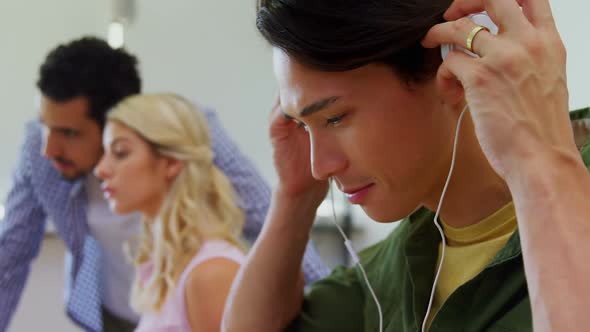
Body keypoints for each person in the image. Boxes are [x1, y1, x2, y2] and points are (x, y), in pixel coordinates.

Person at [223, 0, 590, 331]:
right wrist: (295, 195)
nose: (321, 166)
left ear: (454, 62)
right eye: (303, 125)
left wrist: (538, 160)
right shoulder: (392, 271)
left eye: (334, 118)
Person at [0, 37, 328, 332]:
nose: (48, 149)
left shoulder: (209, 271)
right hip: (134, 304)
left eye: (70, 133)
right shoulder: (39, 152)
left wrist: (334, 308)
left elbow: (273, 216)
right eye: (45, 126)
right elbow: (9, 256)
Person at [95, 93, 245, 332]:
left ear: (172, 162)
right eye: (104, 153)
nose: (101, 170)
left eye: (121, 153)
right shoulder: (165, 267)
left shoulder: (212, 274)